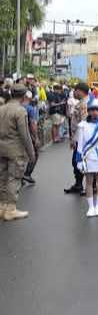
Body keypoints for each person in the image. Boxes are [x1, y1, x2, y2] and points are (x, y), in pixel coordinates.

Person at [0, 84, 36, 220]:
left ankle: (2, 206)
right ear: (24, 96)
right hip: (15, 150)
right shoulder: (20, 111)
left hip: (1, 148)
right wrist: (31, 153)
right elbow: (25, 134)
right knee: (14, 178)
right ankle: (10, 209)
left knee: (2, 177)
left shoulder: (2, 108)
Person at [75, 97, 98, 217]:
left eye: (96, 110)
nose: (94, 112)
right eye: (91, 110)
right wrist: (79, 160)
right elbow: (80, 144)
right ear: (88, 111)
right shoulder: (83, 125)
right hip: (88, 158)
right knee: (89, 182)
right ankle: (91, 207)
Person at [65, 82, 90, 196]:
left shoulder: (84, 104)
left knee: (81, 162)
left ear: (80, 91)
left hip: (82, 139)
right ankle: (79, 184)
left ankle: (91, 186)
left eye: (74, 90)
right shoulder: (81, 103)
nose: (73, 93)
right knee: (76, 162)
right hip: (78, 137)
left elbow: (83, 124)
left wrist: (75, 140)